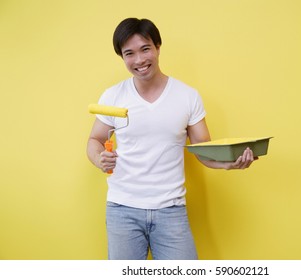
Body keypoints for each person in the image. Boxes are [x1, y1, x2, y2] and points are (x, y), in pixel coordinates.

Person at [87, 18, 257, 260]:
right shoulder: (112, 96)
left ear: (157, 47)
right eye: (129, 53)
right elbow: (95, 139)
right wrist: (98, 158)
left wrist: (229, 163)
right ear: (122, 57)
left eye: (145, 49)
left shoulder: (187, 97)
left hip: (171, 210)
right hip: (122, 209)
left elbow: (203, 150)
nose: (139, 60)